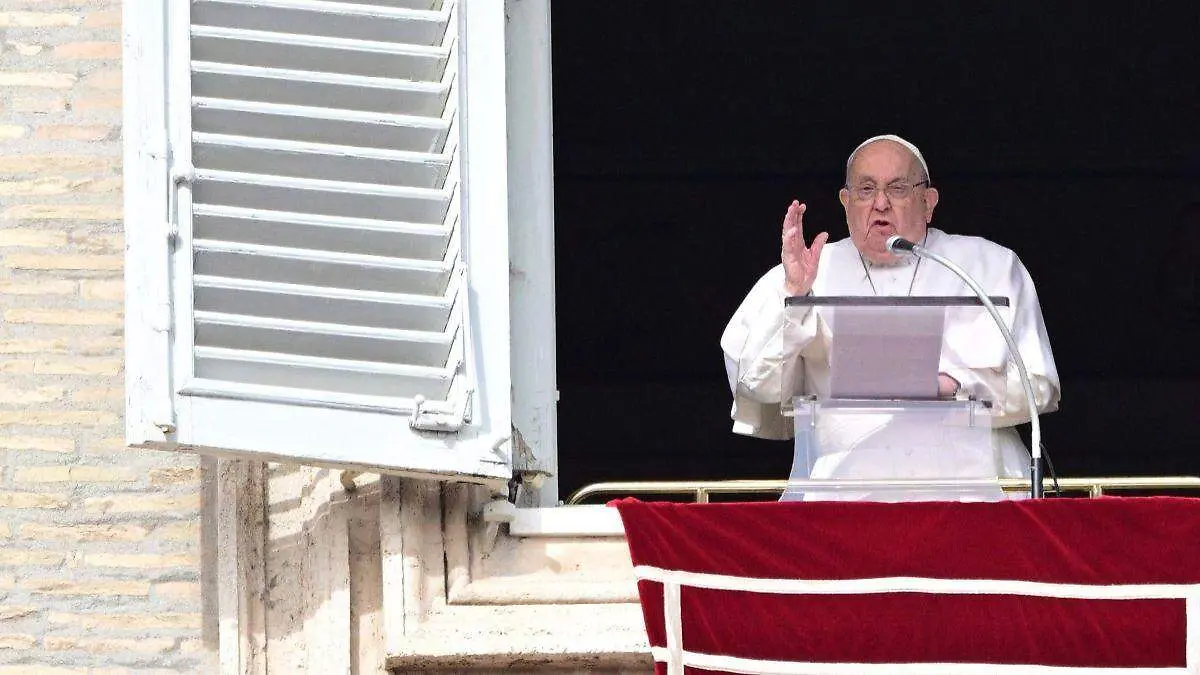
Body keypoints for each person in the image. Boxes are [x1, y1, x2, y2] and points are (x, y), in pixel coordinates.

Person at [721, 134, 1061, 500]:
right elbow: (759, 387)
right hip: (844, 497)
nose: (880, 203)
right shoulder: (802, 273)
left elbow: (1039, 388)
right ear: (845, 201)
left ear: (928, 202)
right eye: (866, 190)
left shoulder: (989, 266)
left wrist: (954, 386)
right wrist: (796, 297)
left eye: (897, 189)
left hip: (973, 495)